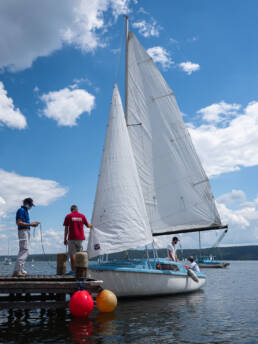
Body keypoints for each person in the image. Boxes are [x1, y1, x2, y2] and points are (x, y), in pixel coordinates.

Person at [13, 198, 39, 277]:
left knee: (25, 250)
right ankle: (17, 271)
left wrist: (31, 224)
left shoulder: (25, 211)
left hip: (26, 231)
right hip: (23, 231)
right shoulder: (21, 210)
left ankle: (20, 269)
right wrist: (31, 224)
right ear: (26, 203)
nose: (31, 206)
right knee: (24, 250)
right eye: (30, 205)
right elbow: (19, 222)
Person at [63, 205, 92, 273]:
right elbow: (88, 225)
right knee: (79, 254)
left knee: (72, 254)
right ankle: (80, 270)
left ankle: (73, 271)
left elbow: (66, 229)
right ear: (77, 209)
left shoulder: (68, 216)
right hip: (80, 238)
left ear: (71, 210)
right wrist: (93, 225)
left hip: (72, 238)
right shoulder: (82, 216)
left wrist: (65, 239)